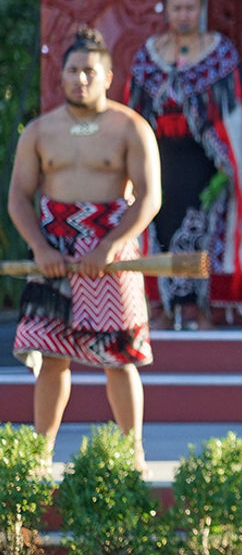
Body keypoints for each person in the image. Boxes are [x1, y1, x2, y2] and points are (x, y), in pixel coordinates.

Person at [9, 27, 162, 470]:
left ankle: (133, 453)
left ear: (107, 76)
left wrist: (109, 247)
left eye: (89, 71)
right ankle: (40, 455)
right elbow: (19, 197)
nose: (80, 79)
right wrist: (40, 247)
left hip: (112, 252)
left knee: (120, 356)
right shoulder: (39, 131)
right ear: (61, 76)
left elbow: (150, 197)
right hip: (53, 249)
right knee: (51, 356)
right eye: (73, 71)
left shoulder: (131, 127)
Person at [126, 0, 242, 330]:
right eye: (177, 8)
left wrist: (226, 167)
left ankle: (198, 308)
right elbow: (134, 115)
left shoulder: (221, 54)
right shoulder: (148, 57)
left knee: (202, 231)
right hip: (160, 161)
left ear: (200, 9)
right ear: (166, 11)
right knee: (158, 229)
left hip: (205, 163)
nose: (183, 14)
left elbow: (235, 118)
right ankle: (159, 306)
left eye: (190, 7)